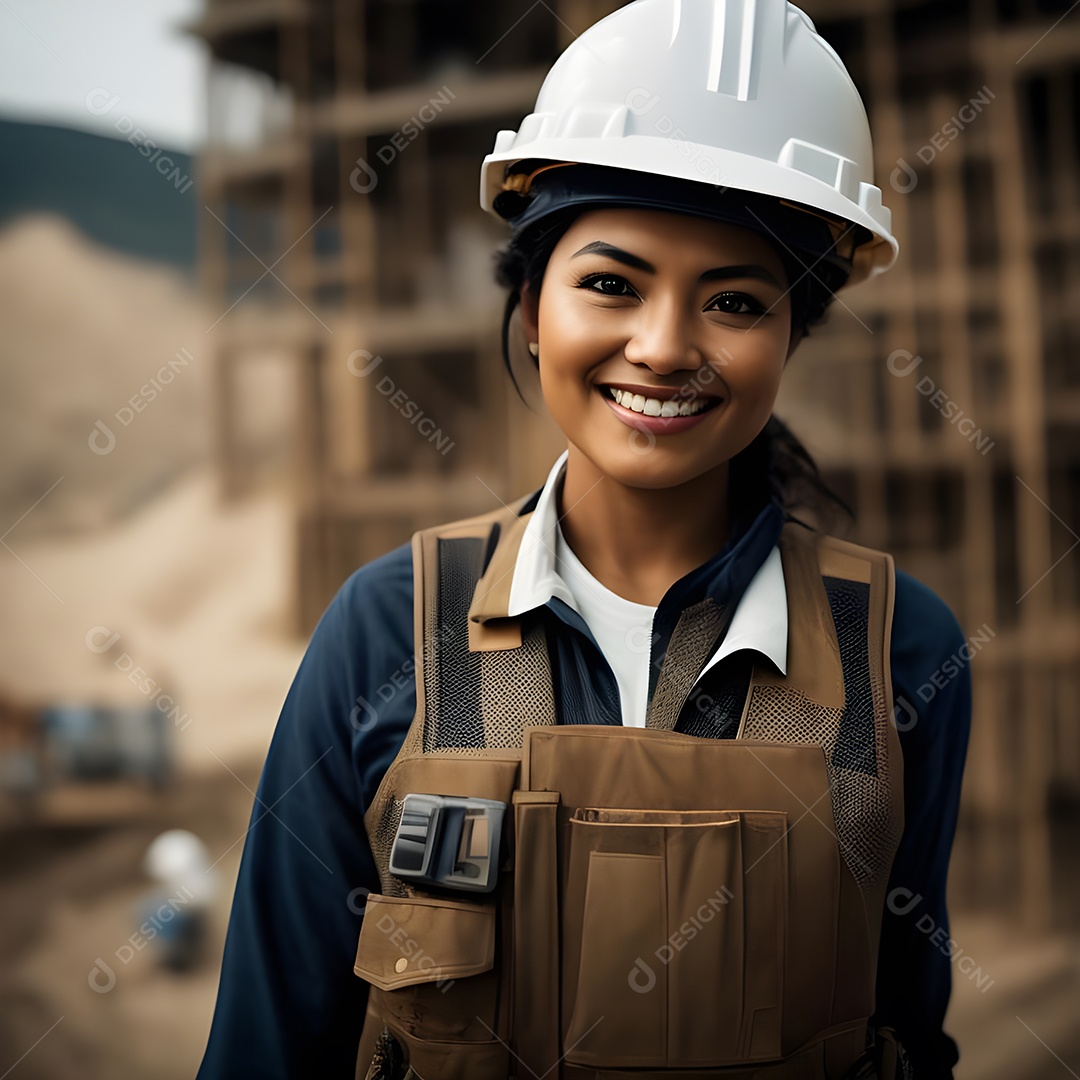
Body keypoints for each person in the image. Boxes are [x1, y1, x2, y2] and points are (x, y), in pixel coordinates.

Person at [195, 1, 971, 1078]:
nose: (662, 347)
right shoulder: (384, 632)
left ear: (795, 336)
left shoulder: (902, 650)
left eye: (736, 301)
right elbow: (266, 1047)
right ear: (530, 310)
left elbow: (906, 1036)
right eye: (610, 283)